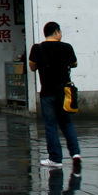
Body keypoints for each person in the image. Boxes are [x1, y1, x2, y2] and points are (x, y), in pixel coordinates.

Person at [28, 21, 81, 169]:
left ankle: (55, 158)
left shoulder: (37, 48)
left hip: (47, 92)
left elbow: (32, 67)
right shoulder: (66, 47)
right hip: (64, 92)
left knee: (50, 125)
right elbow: (74, 63)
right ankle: (75, 153)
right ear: (57, 32)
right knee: (67, 122)